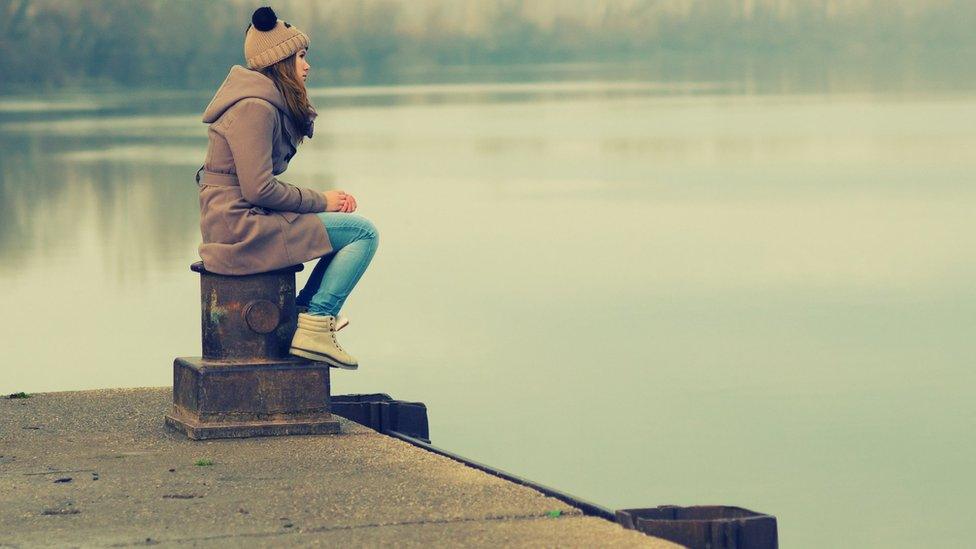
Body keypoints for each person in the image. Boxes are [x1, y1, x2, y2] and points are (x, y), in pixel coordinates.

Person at [196, 6, 377, 370]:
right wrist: (320, 200)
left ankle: (305, 321)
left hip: (243, 218)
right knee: (362, 234)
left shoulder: (262, 102)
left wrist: (316, 204)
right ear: (280, 62)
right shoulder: (254, 108)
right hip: (239, 225)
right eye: (300, 56)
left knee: (348, 232)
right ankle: (315, 321)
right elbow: (259, 189)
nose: (307, 66)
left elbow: (255, 187)